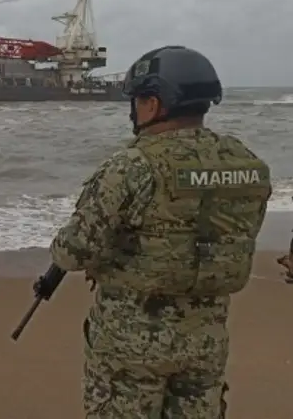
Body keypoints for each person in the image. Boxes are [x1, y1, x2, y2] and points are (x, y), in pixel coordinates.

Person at [49, 45, 273, 418]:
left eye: (138, 100)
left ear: (153, 104)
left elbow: (72, 252)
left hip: (131, 341)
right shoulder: (247, 163)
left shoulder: (131, 166)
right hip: (205, 339)